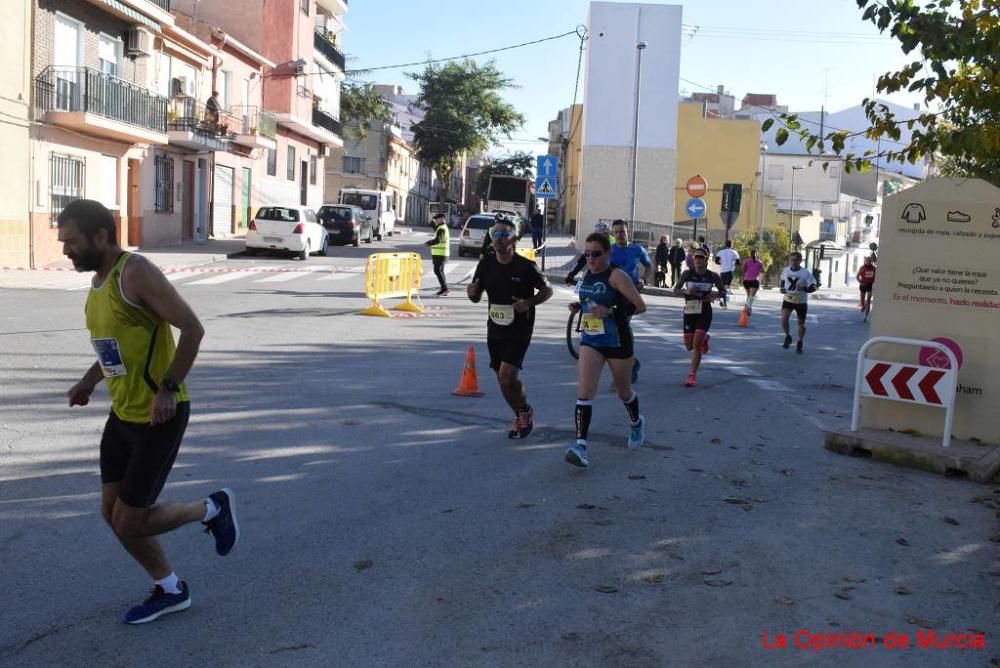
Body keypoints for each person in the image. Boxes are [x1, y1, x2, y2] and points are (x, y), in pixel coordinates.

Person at [57, 199, 238, 625]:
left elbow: (192, 328)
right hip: (123, 415)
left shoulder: (134, 273)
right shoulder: (99, 280)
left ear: (101, 236)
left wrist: (168, 390)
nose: (66, 249)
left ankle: (211, 509)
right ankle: (171, 588)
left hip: (159, 416)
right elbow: (114, 350)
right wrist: (89, 381)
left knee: (130, 519)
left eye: (72, 241)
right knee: (113, 515)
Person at [564, 232, 647, 468]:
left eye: (596, 254)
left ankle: (635, 422)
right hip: (592, 339)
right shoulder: (588, 274)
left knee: (623, 392)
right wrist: (579, 306)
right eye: (587, 253)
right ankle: (580, 446)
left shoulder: (617, 276)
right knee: (584, 392)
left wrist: (609, 311)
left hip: (617, 341)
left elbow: (640, 307)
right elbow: (590, 301)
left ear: (607, 254)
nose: (590, 258)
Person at [467, 215, 552, 439]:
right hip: (495, 328)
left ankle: (523, 411)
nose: (499, 239)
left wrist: (528, 303)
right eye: (495, 234)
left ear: (514, 238)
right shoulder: (485, 264)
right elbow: (476, 294)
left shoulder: (526, 266)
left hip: (519, 329)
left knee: (507, 377)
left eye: (504, 235)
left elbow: (547, 290)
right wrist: (472, 293)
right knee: (503, 382)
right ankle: (522, 412)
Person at [674, 246, 726, 387]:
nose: (697, 259)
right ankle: (704, 339)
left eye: (700, 257)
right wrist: (686, 291)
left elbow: (724, 292)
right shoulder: (687, 273)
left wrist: (716, 294)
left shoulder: (713, 276)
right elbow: (675, 290)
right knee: (689, 346)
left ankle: (692, 376)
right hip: (690, 310)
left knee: (696, 346)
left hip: (704, 310)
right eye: (695, 256)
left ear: (706, 260)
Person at [780, 251, 819, 354]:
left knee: (800, 324)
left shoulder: (805, 273)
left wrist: (805, 288)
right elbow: (783, 280)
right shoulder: (786, 270)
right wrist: (782, 288)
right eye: (791, 260)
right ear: (789, 260)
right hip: (788, 299)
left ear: (800, 261)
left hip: (801, 301)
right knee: (784, 319)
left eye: (796, 260)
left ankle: (800, 342)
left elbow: (814, 287)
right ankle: (788, 336)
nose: (793, 262)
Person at [564, 221, 613, 285]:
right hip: (597, 270)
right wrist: (571, 275)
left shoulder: (613, 242)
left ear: (608, 233)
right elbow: (582, 260)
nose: (600, 237)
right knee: (585, 277)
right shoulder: (594, 242)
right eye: (598, 234)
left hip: (610, 272)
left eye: (603, 234)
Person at [425, 212, 449, 296]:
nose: (435, 220)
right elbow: (436, 230)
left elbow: (439, 239)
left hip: (441, 254)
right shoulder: (441, 227)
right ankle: (444, 289)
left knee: (437, 270)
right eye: (435, 219)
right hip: (441, 254)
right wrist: (432, 222)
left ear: (442, 219)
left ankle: (444, 288)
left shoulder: (442, 228)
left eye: (437, 219)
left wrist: (429, 243)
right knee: (440, 271)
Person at [714, 239, 740, 308]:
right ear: (731, 245)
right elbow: (738, 262)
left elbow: (716, 261)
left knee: (722, 287)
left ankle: (722, 300)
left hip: (722, 271)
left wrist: (721, 263)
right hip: (729, 271)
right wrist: (733, 263)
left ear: (725, 245)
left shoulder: (720, 252)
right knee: (726, 287)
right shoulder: (734, 252)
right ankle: (724, 303)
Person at [741, 249, 765, 314]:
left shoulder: (746, 261)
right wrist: (758, 270)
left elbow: (743, 270)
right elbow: (763, 271)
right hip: (754, 280)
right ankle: (749, 307)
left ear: (750, 254)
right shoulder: (760, 262)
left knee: (748, 295)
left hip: (746, 280)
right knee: (751, 296)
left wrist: (742, 277)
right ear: (757, 255)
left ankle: (748, 307)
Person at [857, 255, 877, 321]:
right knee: (862, 300)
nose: (868, 262)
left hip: (870, 285)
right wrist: (860, 282)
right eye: (867, 261)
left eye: (869, 261)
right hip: (863, 285)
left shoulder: (874, 268)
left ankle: (865, 316)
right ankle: (863, 305)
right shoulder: (862, 268)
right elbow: (857, 276)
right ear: (865, 261)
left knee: (868, 299)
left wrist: (875, 283)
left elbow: (877, 276)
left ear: (871, 261)